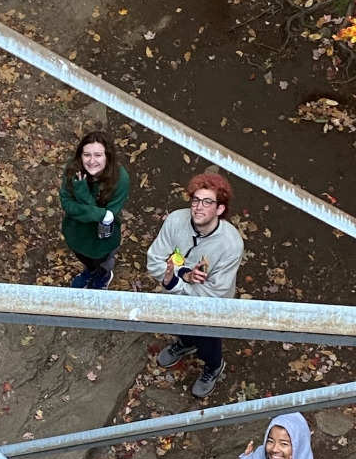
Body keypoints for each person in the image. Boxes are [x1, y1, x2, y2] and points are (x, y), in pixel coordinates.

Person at [146, 171, 244, 398]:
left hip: (209, 306)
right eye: (196, 200)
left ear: (220, 209)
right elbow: (154, 262)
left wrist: (174, 282)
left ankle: (213, 365)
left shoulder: (231, 245)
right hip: (176, 298)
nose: (198, 207)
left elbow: (214, 291)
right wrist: (184, 276)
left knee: (207, 340)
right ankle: (185, 343)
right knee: (179, 326)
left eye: (207, 202)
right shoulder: (176, 221)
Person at [60, 130, 131, 290]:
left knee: (103, 262)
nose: (91, 161)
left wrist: (82, 193)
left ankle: (103, 276)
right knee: (84, 259)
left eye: (98, 155)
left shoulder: (120, 179)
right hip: (75, 233)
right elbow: (67, 203)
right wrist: (100, 213)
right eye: (87, 155)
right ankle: (90, 272)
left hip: (102, 240)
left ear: (108, 156)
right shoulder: (73, 168)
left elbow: (110, 215)